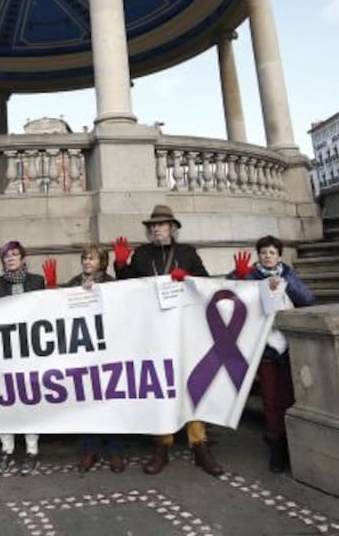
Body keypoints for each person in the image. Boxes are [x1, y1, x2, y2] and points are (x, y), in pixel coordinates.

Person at [113, 204, 221, 476]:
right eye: (153, 226)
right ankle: (161, 447)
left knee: (191, 386)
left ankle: (200, 446)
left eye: (161, 225)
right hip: (153, 332)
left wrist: (188, 278)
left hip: (185, 331)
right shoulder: (141, 254)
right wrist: (120, 265)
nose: (156, 229)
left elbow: (206, 285)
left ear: (172, 228)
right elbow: (127, 289)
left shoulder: (187, 253)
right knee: (159, 387)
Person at [228, 235, 315, 473]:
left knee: (288, 397)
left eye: (272, 252)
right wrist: (240, 276)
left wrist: (285, 282)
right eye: (264, 252)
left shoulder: (288, 273)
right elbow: (227, 295)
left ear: (279, 256)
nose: (268, 256)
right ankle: (275, 445)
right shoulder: (250, 275)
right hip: (264, 347)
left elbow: (307, 299)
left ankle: (290, 443)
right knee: (270, 399)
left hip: (287, 345)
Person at [0, 241, 53, 474]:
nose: (11, 258)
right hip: (3, 351)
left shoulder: (36, 281)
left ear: (23, 258)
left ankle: (32, 450)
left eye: (15, 254)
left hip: (30, 350)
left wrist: (53, 291)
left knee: (30, 398)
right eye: (6, 255)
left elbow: (48, 311)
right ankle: (7, 448)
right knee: (5, 400)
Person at [65, 243, 124, 473]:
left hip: (108, 350)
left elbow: (120, 309)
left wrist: (98, 294)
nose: (87, 262)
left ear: (102, 262)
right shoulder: (71, 284)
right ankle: (89, 449)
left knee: (111, 399)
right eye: (85, 258)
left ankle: (115, 449)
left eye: (92, 258)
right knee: (87, 401)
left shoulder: (112, 284)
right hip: (82, 351)